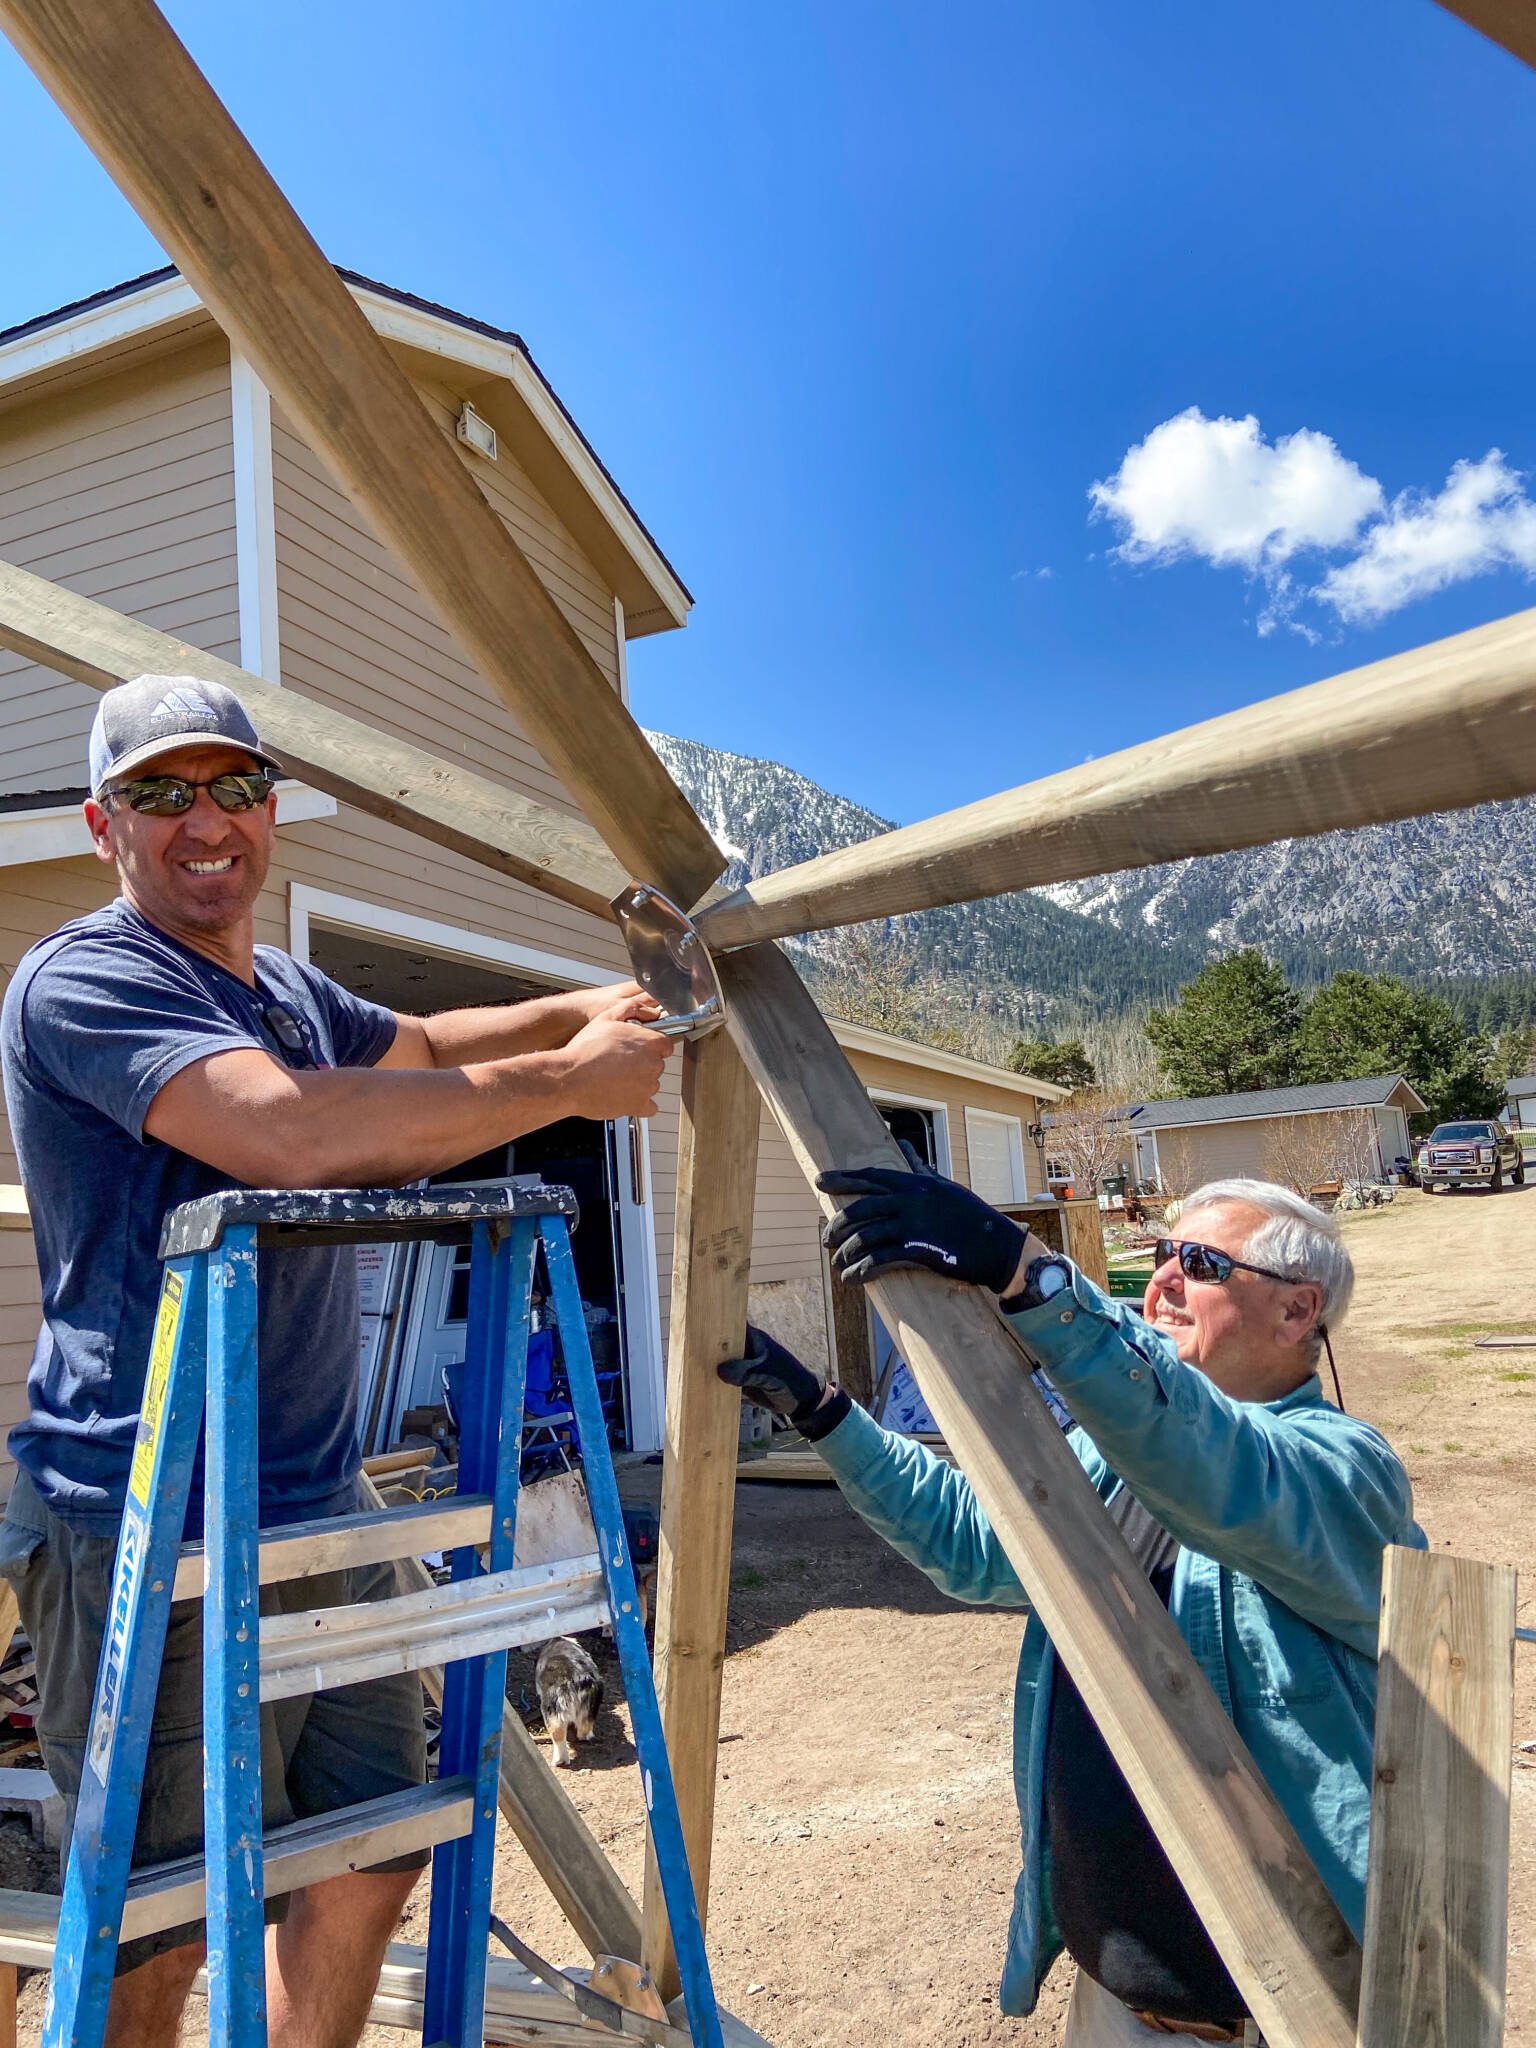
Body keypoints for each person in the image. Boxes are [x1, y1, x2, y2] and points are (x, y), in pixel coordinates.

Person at [0, 673, 678, 2048]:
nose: (207, 821)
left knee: (377, 1845)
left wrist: (586, 1009)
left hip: (316, 1495)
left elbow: (422, 1043)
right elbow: (287, 1136)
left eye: (236, 787)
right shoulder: (89, 978)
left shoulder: (286, 988)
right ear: (101, 825)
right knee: (158, 1924)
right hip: (146, 1510)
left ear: (268, 814)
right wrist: (568, 1087)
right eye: (161, 793)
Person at [722, 1166, 1423, 2047]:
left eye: (1199, 1263)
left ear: (1296, 1312)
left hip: (1293, 2018)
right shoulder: (1118, 1454)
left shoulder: (1345, 1473)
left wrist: (1031, 1276)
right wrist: (823, 1411)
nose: (1162, 1278)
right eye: (1163, 1252)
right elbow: (976, 1545)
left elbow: (1213, 1462)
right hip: (1124, 2004)